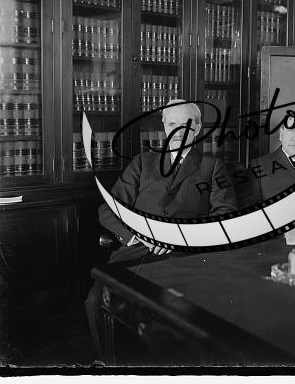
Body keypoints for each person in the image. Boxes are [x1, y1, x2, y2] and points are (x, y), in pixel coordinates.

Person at [85, 99, 237, 361]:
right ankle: (108, 367)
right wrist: (135, 237)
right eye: (172, 124)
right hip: (134, 254)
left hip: (183, 259)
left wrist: (178, 238)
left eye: (186, 125)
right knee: (96, 302)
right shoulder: (143, 162)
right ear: (164, 126)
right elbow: (108, 209)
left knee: (171, 319)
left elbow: (225, 217)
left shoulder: (213, 167)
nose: (178, 131)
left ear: (198, 128)